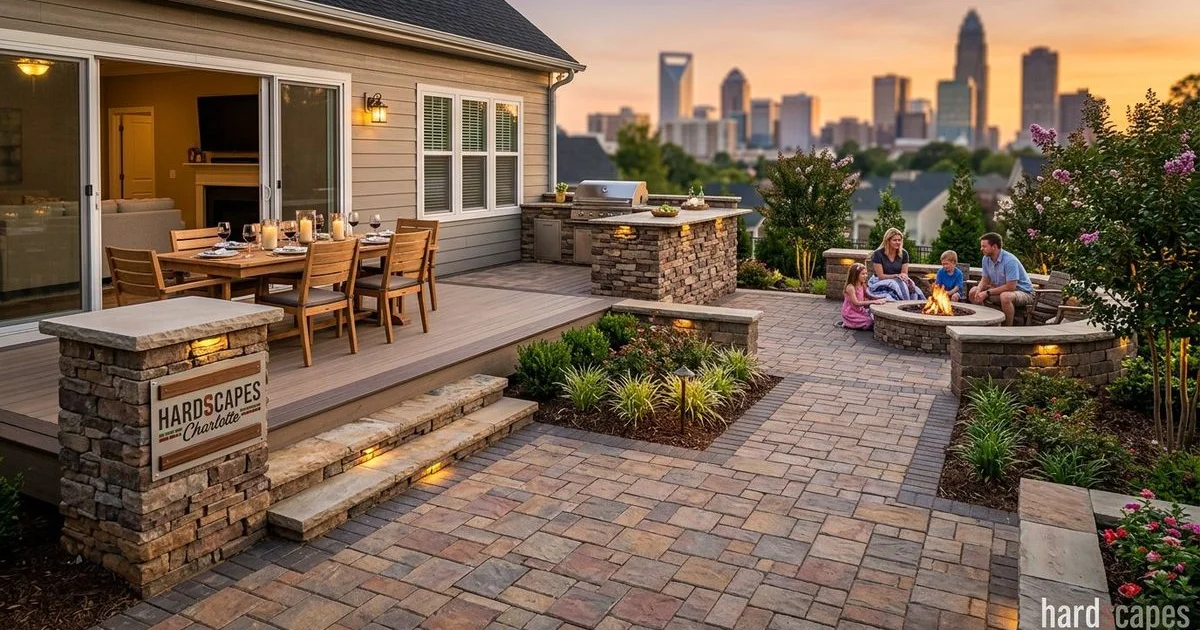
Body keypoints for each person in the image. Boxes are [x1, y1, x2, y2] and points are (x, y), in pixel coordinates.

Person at [969, 232, 1035, 326]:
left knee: (1005, 297)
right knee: (973, 292)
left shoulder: (1010, 261)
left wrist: (987, 293)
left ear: (994, 247)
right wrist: (979, 290)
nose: (981, 249)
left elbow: (1010, 287)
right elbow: (985, 279)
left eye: (984, 246)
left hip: (1024, 292)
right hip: (1003, 289)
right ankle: (985, 322)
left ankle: (1006, 328)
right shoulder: (986, 259)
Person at [868, 227, 926, 301]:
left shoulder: (904, 253)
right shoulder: (878, 254)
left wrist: (903, 277)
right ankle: (906, 304)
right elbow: (881, 276)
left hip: (898, 281)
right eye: (894, 240)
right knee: (896, 283)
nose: (898, 242)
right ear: (887, 241)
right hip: (880, 281)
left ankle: (920, 307)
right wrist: (896, 276)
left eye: (899, 240)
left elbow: (904, 273)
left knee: (916, 290)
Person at [841, 263, 887, 330]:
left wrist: (881, 298)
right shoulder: (850, 287)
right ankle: (848, 323)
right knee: (869, 321)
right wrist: (874, 302)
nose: (866, 275)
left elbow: (869, 295)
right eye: (863, 274)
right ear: (855, 275)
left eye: (866, 273)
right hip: (851, 313)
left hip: (860, 310)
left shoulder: (862, 284)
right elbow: (856, 303)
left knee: (874, 317)